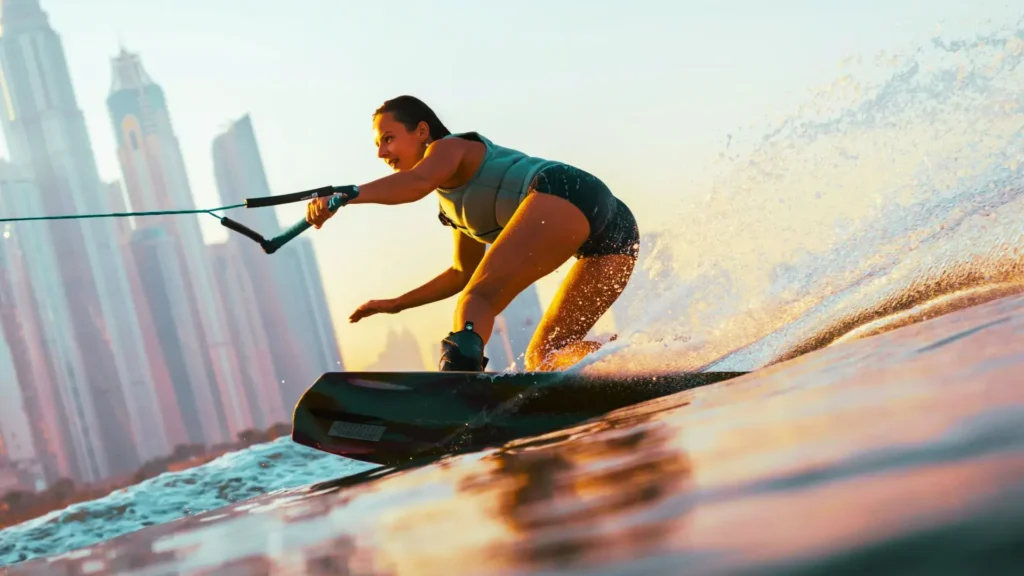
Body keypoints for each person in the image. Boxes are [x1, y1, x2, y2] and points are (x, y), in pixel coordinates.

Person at [306, 95, 640, 372]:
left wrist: (344, 196)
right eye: (378, 145)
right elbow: (461, 273)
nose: (382, 153)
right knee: (547, 356)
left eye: (389, 139)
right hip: (616, 232)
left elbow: (416, 184)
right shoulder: (452, 207)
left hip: (565, 189)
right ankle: (649, 359)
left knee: (476, 301)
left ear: (422, 131)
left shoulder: (450, 147)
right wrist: (397, 304)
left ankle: (458, 384)